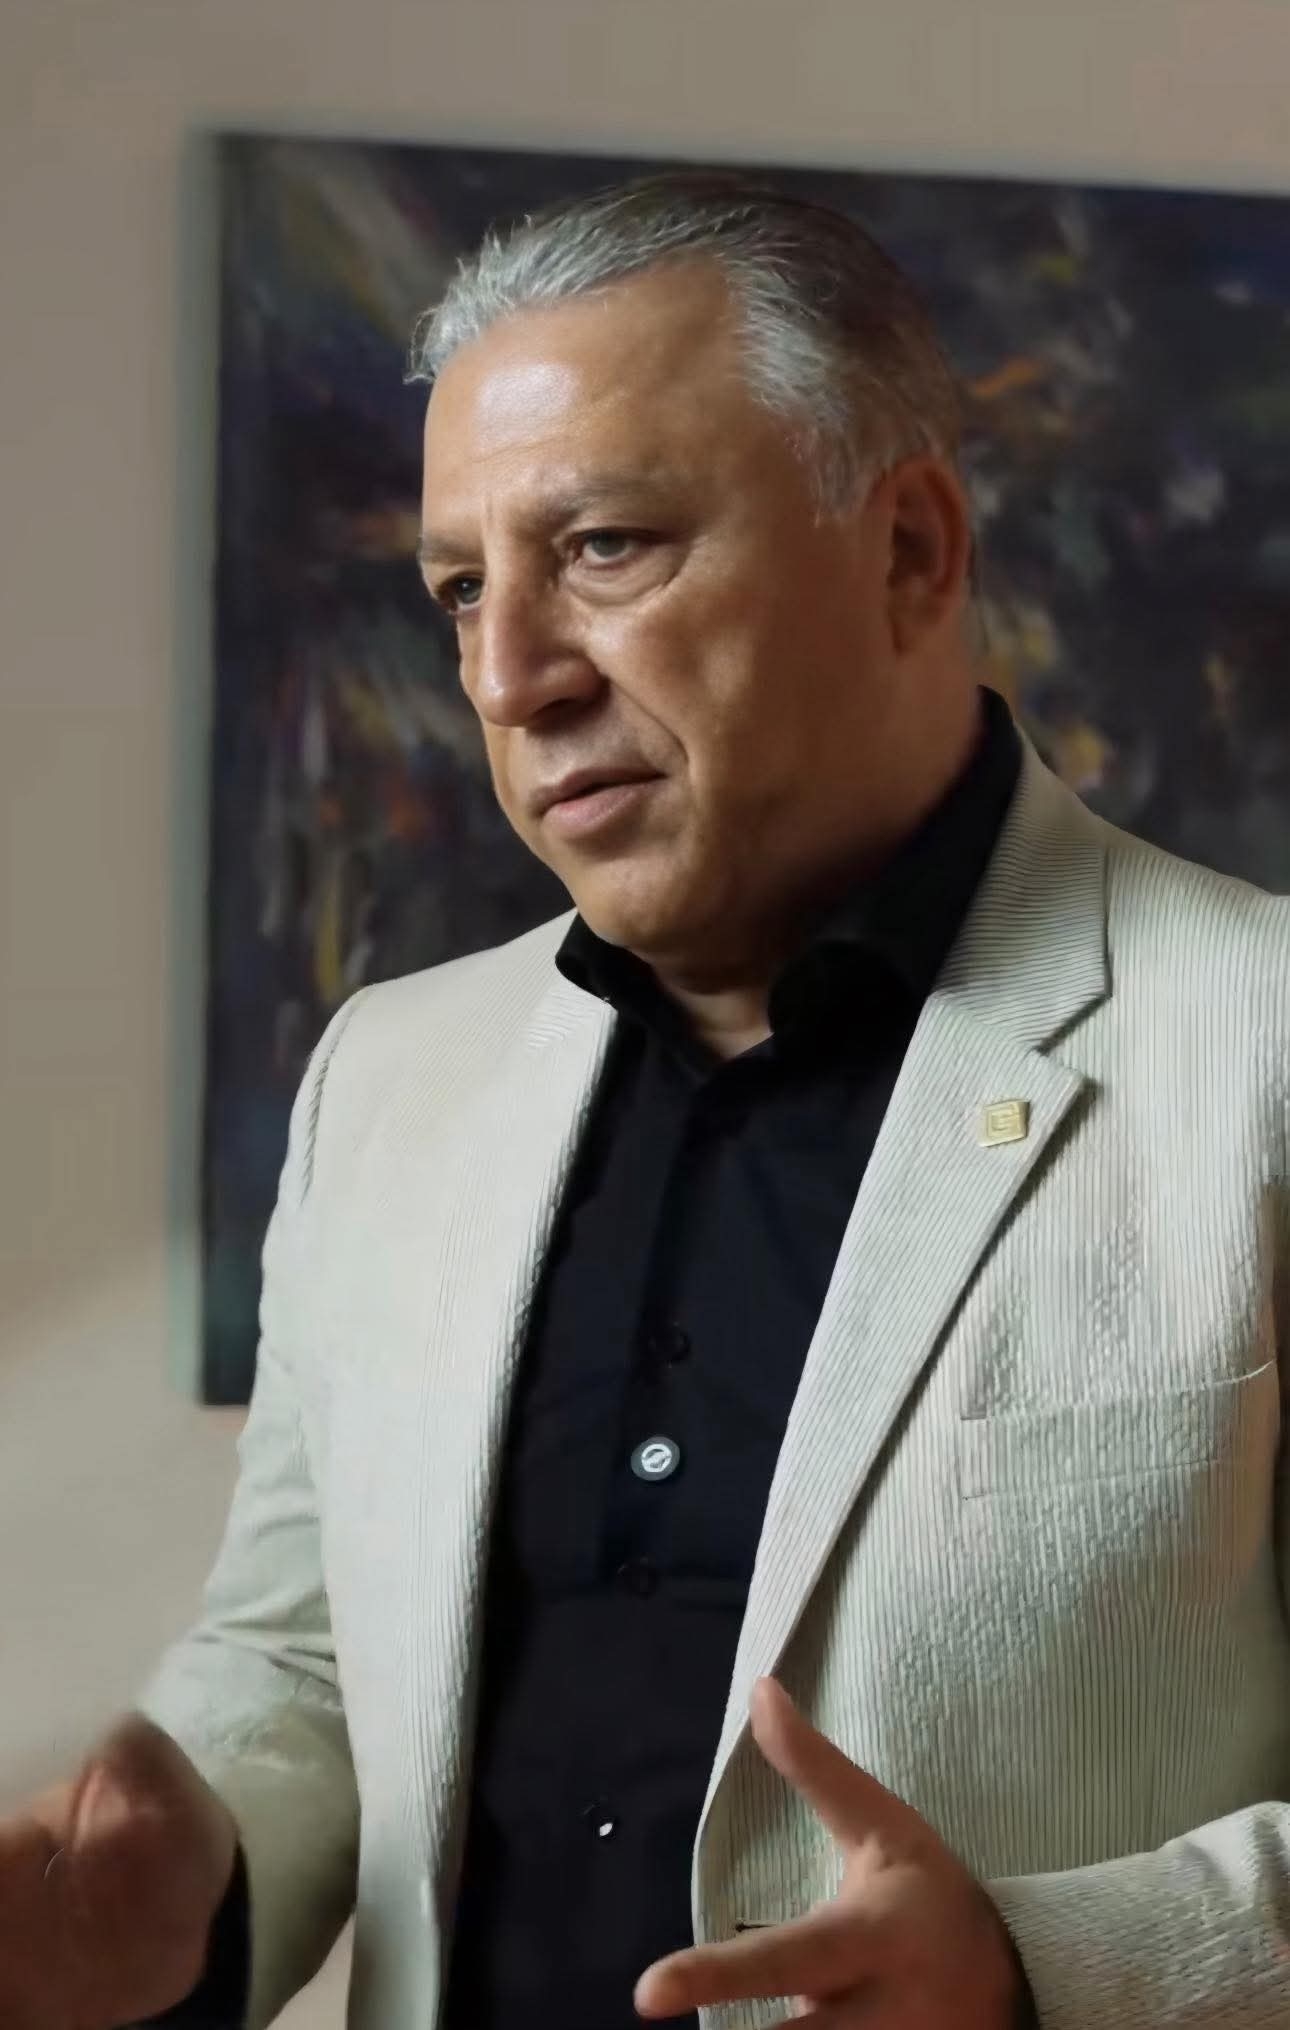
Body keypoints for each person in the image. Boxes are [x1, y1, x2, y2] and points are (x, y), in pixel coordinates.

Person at [2, 172, 1288, 2030]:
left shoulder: (1256, 1043)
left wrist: (1039, 1974)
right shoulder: (387, 1076)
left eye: (602, 546)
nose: (507, 676)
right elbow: (303, 1662)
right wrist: (175, 1882)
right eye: (461, 587)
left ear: (909, 550)